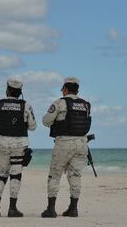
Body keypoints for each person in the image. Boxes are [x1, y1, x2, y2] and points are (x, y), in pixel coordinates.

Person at [41, 77, 92, 218]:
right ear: (77, 90)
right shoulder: (86, 105)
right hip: (82, 144)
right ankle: (73, 209)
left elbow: (46, 121)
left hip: (64, 143)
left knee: (54, 176)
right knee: (75, 176)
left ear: (65, 89)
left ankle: (51, 209)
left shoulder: (60, 103)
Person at [0, 77, 37, 218]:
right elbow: (33, 127)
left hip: (2, 142)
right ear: (20, 92)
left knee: (1, 174)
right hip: (20, 144)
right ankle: (12, 208)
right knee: (16, 174)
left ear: (8, 90)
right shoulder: (26, 105)